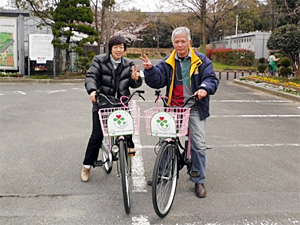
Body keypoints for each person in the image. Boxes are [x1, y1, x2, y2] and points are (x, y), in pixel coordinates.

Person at [140, 27, 219, 198]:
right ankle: (162, 173)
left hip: (194, 106)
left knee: (198, 143)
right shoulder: (168, 61)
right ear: (173, 43)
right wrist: (150, 70)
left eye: (183, 41)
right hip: (173, 107)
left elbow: (211, 78)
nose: (180, 45)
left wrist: (204, 89)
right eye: (177, 42)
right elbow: (158, 80)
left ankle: (198, 180)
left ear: (190, 42)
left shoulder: (201, 60)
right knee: (166, 140)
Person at [81, 35, 142, 182]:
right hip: (102, 101)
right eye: (116, 47)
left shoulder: (129, 64)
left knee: (127, 130)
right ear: (110, 48)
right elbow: (91, 76)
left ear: (124, 49)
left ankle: (127, 150)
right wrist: (92, 91)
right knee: (97, 135)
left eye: (121, 47)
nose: (119, 50)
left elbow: (134, 84)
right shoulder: (99, 60)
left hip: (121, 102)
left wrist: (136, 79)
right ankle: (87, 166)